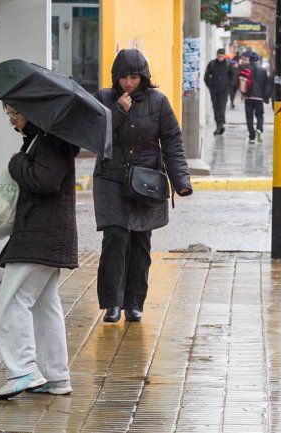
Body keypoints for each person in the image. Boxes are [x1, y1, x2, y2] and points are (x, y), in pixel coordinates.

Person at [0, 102, 79, 399]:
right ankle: (55, 376)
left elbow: (44, 181)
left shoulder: (52, 140)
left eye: (14, 112)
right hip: (43, 233)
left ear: (31, 109)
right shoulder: (42, 139)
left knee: (12, 301)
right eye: (8, 114)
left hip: (41, 235)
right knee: (42, 304)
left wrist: (16, 162)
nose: (12, 120)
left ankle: (23, 370)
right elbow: (32, 183)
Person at [93, 49, 192, 323]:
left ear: (143, 77)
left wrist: (181, 180)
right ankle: (112, 302)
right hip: (110, 177)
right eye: (123, 76)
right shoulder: (104, 98)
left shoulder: (158, 101)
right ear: (115, 77)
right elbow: (93, 134)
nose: (128, 82)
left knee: (139, 240)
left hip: (146, 181)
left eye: (133, 76)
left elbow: (172, 140)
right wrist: (117, 112)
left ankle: (134, 302)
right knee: (115, 236)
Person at [243, 52, 272, 144]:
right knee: (259, 115)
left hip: (248, 97)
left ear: (250, 60)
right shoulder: (263, 70)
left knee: (249, 117)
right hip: (259, 98)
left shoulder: (245, 69)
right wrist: (266, 97)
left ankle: (252, 137)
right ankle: (259, 129)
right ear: (258, 60)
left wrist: (243, 93)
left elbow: (241, 82)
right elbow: (267, 85)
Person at [204, 48, 234, 135]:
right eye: (219, 56)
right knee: (216, 107)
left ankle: (220, 124)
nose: (220, 58)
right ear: (217, 55)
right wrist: (210, 86)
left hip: (224, 90)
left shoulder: (228, 64)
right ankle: (219, 124)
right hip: (214, 89)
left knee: (222, 107)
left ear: (224, 56)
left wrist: (229, 86)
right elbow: (206, 76)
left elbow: (232, 75)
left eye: (222, 56)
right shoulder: (212, 64)